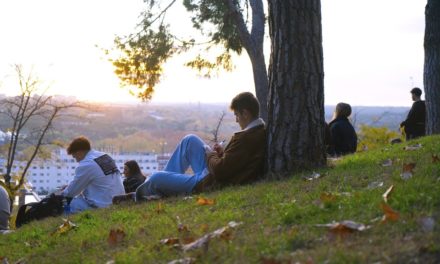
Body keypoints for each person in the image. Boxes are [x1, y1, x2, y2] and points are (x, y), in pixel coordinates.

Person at [135, 92, 266, 200]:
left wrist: (211, 155)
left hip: (209, 182)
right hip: (210, 174)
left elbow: (220, 171)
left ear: (246, 114)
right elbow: (234, 162)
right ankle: (161, 189)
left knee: (156, 177)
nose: (236, 120)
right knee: (189, 140)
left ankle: (140, 194)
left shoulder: (248, 138)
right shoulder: (255, 132)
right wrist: (222, 153)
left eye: (237, 115)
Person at [61, 136, 125, 213]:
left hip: (103, 205)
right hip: (118, 201)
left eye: (75, 157)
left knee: (67, 204)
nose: (77, 161)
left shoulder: (86, 164)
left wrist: (62, 192)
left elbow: (71, 192)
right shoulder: (104, 156)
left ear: (79, 153)